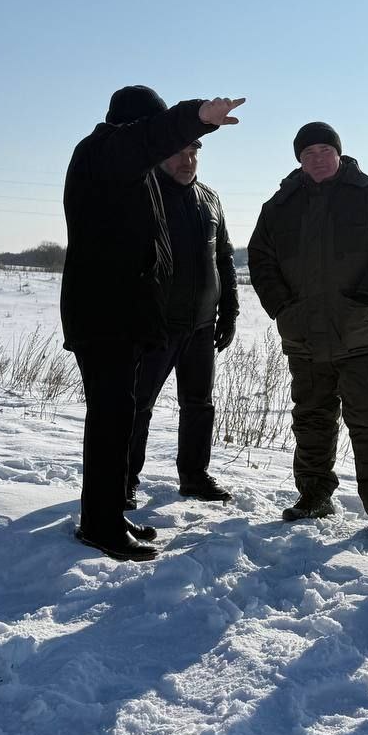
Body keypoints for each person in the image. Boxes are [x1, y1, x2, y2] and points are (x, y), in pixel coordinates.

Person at [62, 86, 244, 561]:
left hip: (125, 316)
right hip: (103, 316)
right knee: (111, 420)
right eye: (154, 129)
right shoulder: (103, 151)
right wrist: (198, 116)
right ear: (130, 125)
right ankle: (100, 524)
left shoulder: (129, 168)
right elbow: (149, 138)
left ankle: (106, 513)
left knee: (117, 418)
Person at [248, 122, 368, 537]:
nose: (317, 159)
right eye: (308, 153)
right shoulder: (280, 205)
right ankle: (314, 495)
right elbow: (260, 259)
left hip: (361, 335)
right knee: (312, 419)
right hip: (303, 337)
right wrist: (282, 307)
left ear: (339, 153)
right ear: (299, 159)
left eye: (324, 150)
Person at [126, 139, 238, 508]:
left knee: (199, 405)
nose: (187, 161)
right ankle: (124, 479)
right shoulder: (146, 194)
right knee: (138, 405)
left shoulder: (209, 198)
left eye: (193, 154)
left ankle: (194, 476)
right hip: (157, 326)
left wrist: (229, 311)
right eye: (178, 153)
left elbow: (224, 257)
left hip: (202, 325)